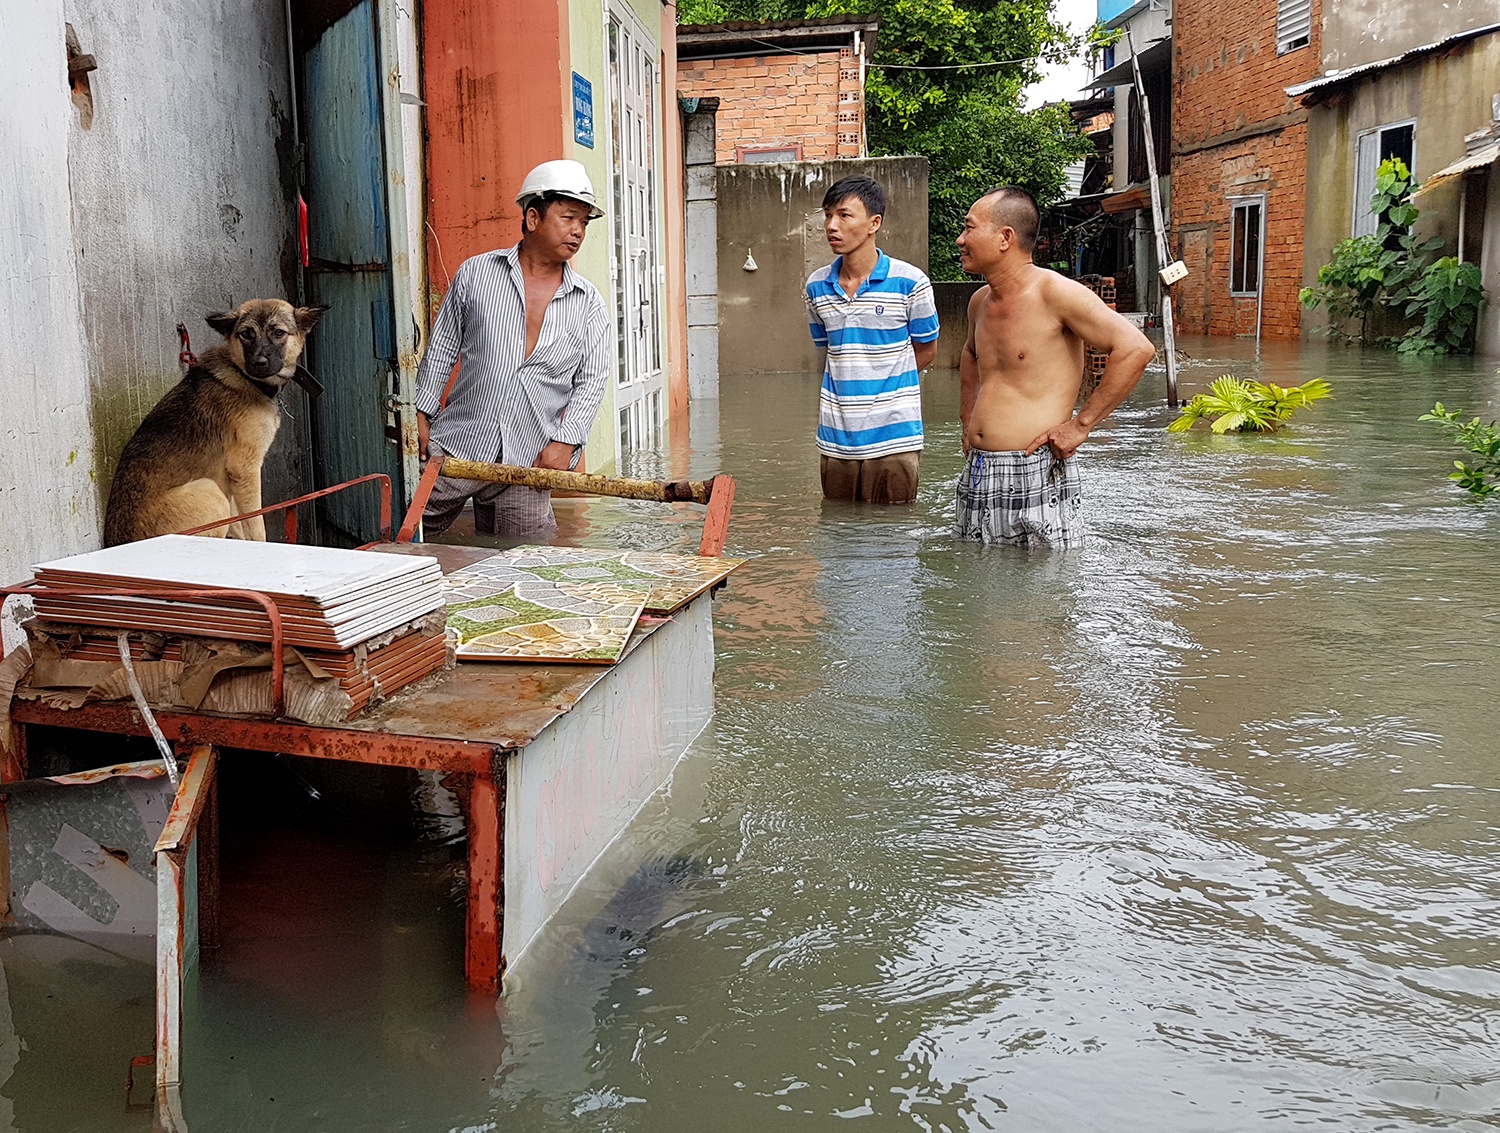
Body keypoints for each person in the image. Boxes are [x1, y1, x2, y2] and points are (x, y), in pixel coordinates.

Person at [414, 159, 611, 538]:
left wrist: (565, 440)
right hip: (458, 447)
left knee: (528, 564)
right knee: (403, 539)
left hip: (529, 460)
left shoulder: (589, 303)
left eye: (584, 223)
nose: (577, 232)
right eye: (569, 218)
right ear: (533, 217)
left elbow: (591, 382)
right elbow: (442, 348)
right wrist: (420, 412)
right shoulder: (477, 274)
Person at [954, 185, 1155, 548]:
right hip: (980, 469)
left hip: (1035, 469)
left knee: (1040, 595)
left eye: (969, 228)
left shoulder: (1056, 293)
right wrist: (967, 419)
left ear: (1005, 238)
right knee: (980, 584)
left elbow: (1135, 348)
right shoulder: (979, 302)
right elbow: (969, 355)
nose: (960, 240)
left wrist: (1080, 426)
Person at [805, 176, 940, 505]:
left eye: (844, 215)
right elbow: (830, 353)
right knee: (839, 532)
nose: (831, 225)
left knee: (892, 537)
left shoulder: (911, 283)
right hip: (836, 440)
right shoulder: (816, 287)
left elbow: (927, 350)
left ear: (874, 223)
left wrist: (886, 392)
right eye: (827, 215)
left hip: (894, 439)